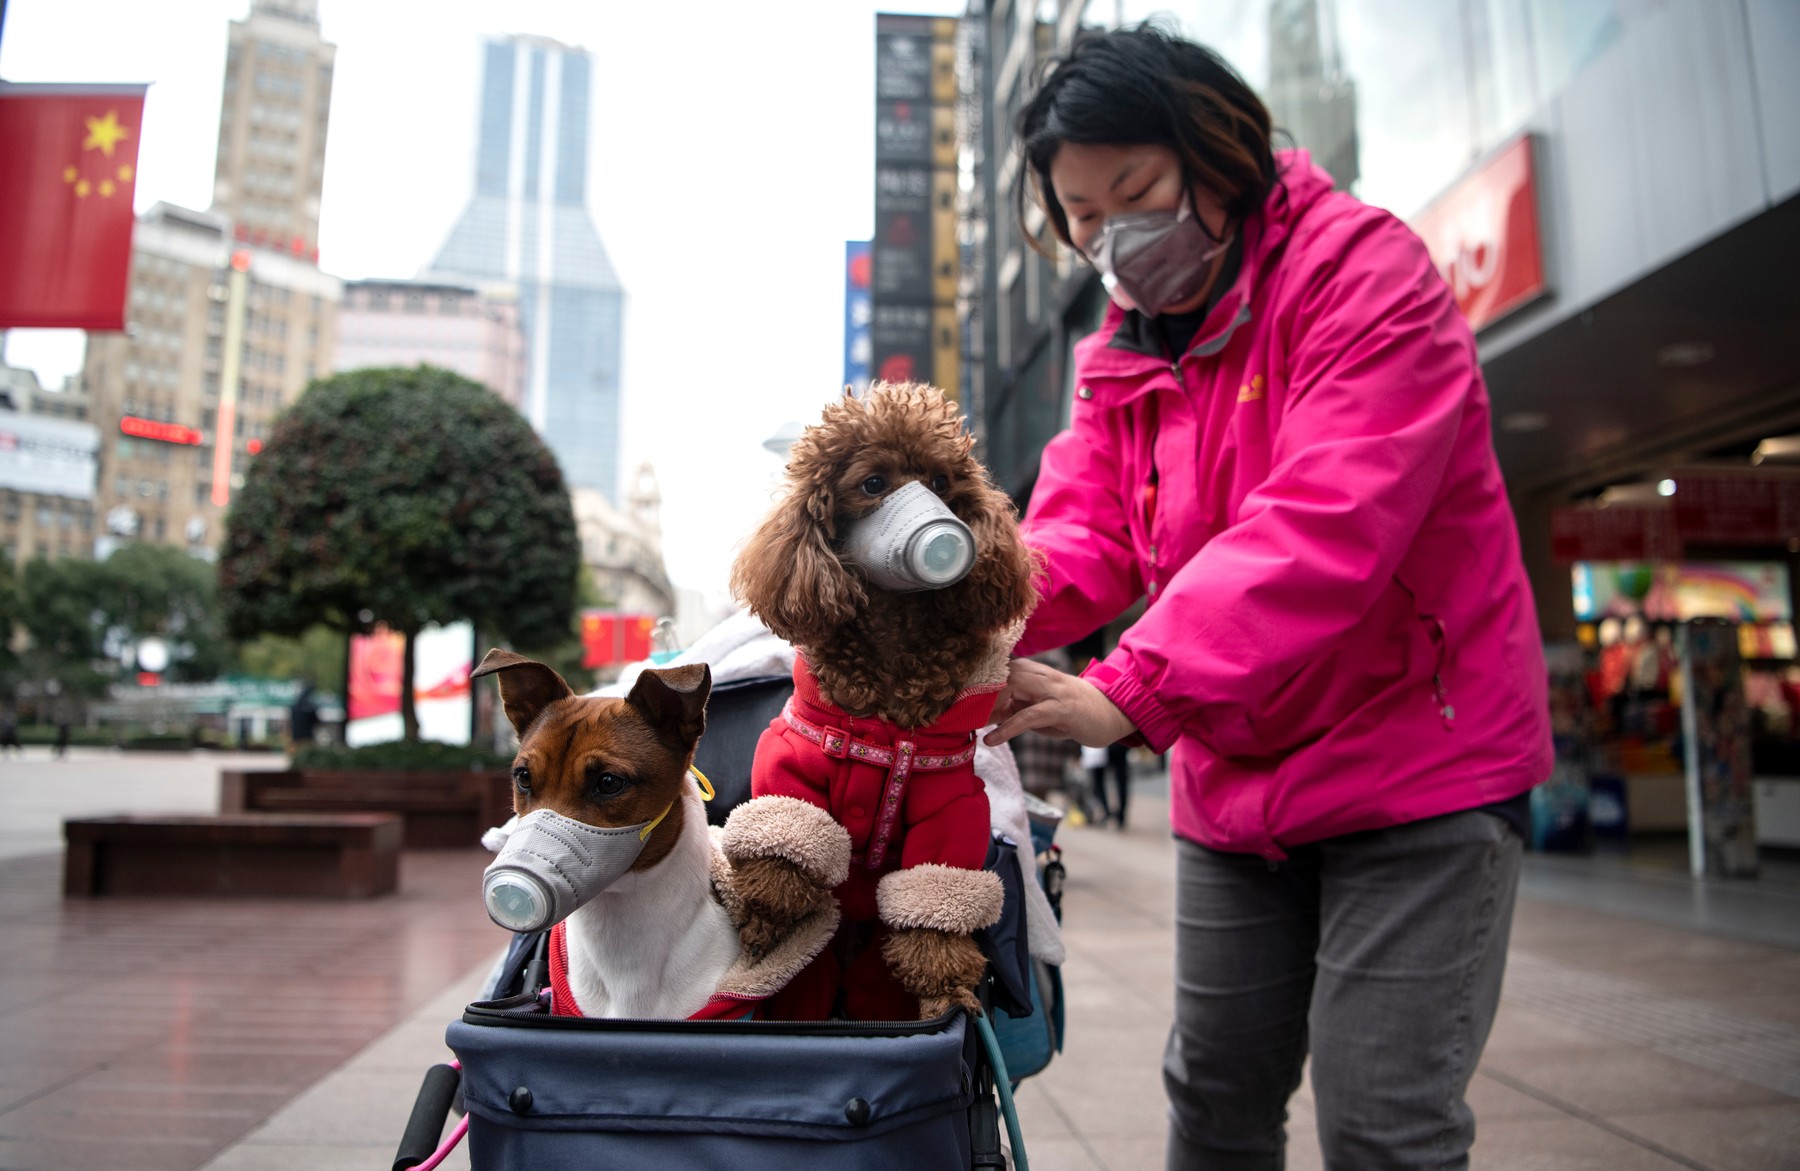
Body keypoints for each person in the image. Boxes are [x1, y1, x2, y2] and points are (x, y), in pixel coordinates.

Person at [983, 26, 1551, 1170]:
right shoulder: (1122, 351)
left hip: (1418, 767)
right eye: (1084, 216)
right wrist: (973, 618)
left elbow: (1325, 523)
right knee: (1215, 1092)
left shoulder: (1366, 274)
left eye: (1135, 190)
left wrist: (1128, 690)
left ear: (1219, 150)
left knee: (1383, 1113)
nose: (1111, 236)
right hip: (1242, 780)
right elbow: (1081, 528)